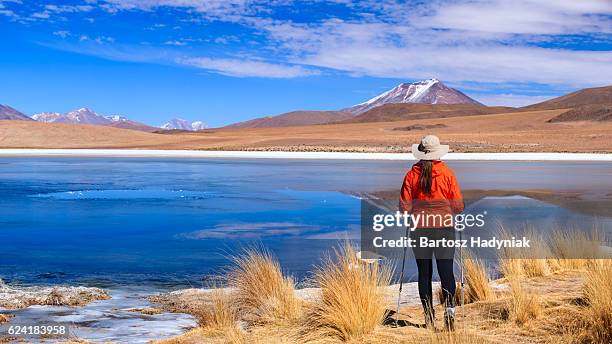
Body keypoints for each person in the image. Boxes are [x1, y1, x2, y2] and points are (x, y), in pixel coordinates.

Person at [399, 135, 464, 331]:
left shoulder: (411, 175)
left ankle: (429, 318)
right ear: (438, 153)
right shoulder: (447, 174)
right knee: (446, 272)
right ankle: (450, 313)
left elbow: (404, 207)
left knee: (424, 273)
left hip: (419, 229)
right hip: (444, 228)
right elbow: (458, 206)